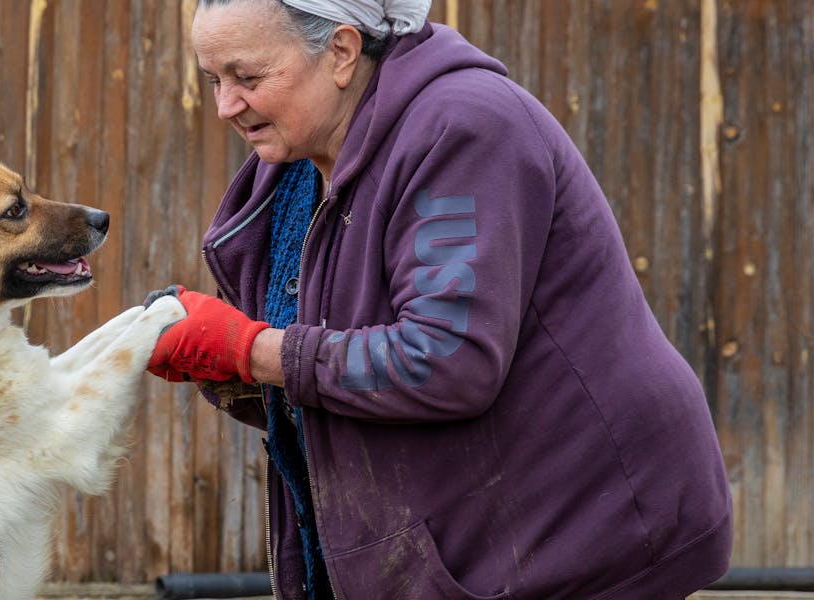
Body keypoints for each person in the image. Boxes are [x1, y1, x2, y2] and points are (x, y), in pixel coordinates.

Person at [143, 0, 733, 598]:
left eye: (248, 77)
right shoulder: (300, 161)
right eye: (215, 80)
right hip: (485, 519)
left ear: (342, 52)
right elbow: (331, 364)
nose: (225, 105)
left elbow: (447, 360)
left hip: (582, 527)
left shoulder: (465, 128)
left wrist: (252, 350)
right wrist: (231, 369)